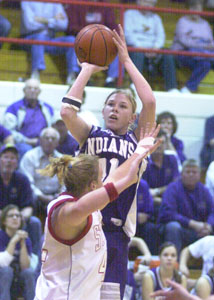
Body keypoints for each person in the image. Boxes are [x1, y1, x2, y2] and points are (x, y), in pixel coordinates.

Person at [60, 24, 156, 299]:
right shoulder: (89, 134)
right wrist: (88, 69)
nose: (115, 108)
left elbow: (148, 100)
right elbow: (67, 110)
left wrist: (125, 61)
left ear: (133, 118)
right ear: (102, 111)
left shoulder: (140, 141)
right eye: (110, 104)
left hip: (115, 234)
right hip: (83, 224)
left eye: (123, 105)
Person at [34, 127, 161, 300]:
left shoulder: (87, 206)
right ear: (93, 185)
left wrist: (139, 154)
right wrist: (126, 182)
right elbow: (88, 202)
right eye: (101, 179)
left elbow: (114, 178)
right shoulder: (66, 212)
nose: (105, 181)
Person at [158, 159, 214, 255]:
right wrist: (192, 224)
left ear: (199, 175)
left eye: (194, 172)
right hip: (181, 229)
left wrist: (208, 226)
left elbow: (212, 212)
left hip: (200, 231)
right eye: (188, 172)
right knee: (173, 227)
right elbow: (168, 214)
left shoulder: (204, 190)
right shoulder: (172, 188)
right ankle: (175, 265)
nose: (191, 174)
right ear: (181, 174)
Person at [124, 0, 178, 93]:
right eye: (145, 2)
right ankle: (135, 85)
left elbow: (161, 36)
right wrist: (141, 47)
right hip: (136, 46)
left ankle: (172, 88)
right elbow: (128, 34)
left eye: (151, 3)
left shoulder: (156, 18)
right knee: (137, 53)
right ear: (138, 2)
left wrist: (156, 48)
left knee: (168, 55)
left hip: (153, 49)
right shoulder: (129, 14)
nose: (148, 5)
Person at [20, 1, 79, 84]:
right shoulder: (27, 1)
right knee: (39, 37)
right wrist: (54, 19)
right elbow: (30, 24)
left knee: (72, 40)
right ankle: (35, 74)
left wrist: (44, 20)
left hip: (49, 39)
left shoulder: (55, 2)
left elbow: (64, 24)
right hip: (30, 38)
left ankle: (72, 75)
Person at [65, 0, 120, 87]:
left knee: (116, 45)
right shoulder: (75, 4)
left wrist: (104, 35)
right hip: (83, 40)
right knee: (74, 41)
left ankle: (111, 80)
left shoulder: (106, 6)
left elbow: (113, 27)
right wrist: (89, 33)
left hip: (103, 41)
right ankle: (77, 75)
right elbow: (71, 27)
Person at [0, 143, 42, 256]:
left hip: (18, 218)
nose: (9, 161)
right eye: (6, 157)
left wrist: (19, 217)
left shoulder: (22, 179)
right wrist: (5, 217)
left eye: (13, 158)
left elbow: (28, 206)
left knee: (35, 222)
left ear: (17, 163)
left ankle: (34, 258)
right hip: (1, 218)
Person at [3, 78, 54, 158]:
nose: (32, 90)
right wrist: (28, 141)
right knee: (27, 152)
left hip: (44, 143)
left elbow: (53, 128)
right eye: (29, 88)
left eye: (35, 88)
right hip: (23, 143)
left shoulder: (48, 108)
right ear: (24, 90)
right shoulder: (13, 108)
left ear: (39, 91)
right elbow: (8, 131)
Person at [171, 0, 214, 93]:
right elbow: (184, 41)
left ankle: (188, 88)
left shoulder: (205, 24)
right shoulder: (182, 22)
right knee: (205, 63)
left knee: (206, 61)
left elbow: (211, 41)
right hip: (185, 53)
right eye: (194, 8)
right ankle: (189, 88)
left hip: (204, 53)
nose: (196, 11)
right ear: (189, 9)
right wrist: (203, 46)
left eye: (199, 8)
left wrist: (207, 46)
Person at [20, 127, 62, 218]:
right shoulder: (30, 157)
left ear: (57, 143)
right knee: (30, 198)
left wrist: (58, 196)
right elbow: (27, 183)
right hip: (36, 195)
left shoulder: (61, 159)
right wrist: (41, 196)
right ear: (40, 140)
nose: (49, 141)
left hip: (56, 196)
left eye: (53, 138)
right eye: (46, 138)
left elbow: (65, 184)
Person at [0, 204, 36, 300]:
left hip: (17, 276)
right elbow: (3, 263)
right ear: (4, 221)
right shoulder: (0, 236)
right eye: (11, 215)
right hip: (2, 275)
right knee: (7, 271)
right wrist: (13, 241)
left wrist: (22, 243)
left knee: (29, 273)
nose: (15, 218)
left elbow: (25, 267)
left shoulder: (25, 238)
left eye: (18, 215)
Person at [142, 129, 179, 208]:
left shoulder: (172, 159)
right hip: (147, 201)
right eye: (155, 142)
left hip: (169, 199)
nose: (159, 145)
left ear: (166, 145)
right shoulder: (144, 161)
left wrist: (157, 191)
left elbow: (176, 183)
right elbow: (142, 189)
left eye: (162, 142)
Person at [136, 178, 160, 255]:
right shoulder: (119, 184)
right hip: (125, 222)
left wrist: (146, 216)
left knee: (151, 228)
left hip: (141, 223)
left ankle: (152, 258)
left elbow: (150, 208)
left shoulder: (143, 184)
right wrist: (135, 217)